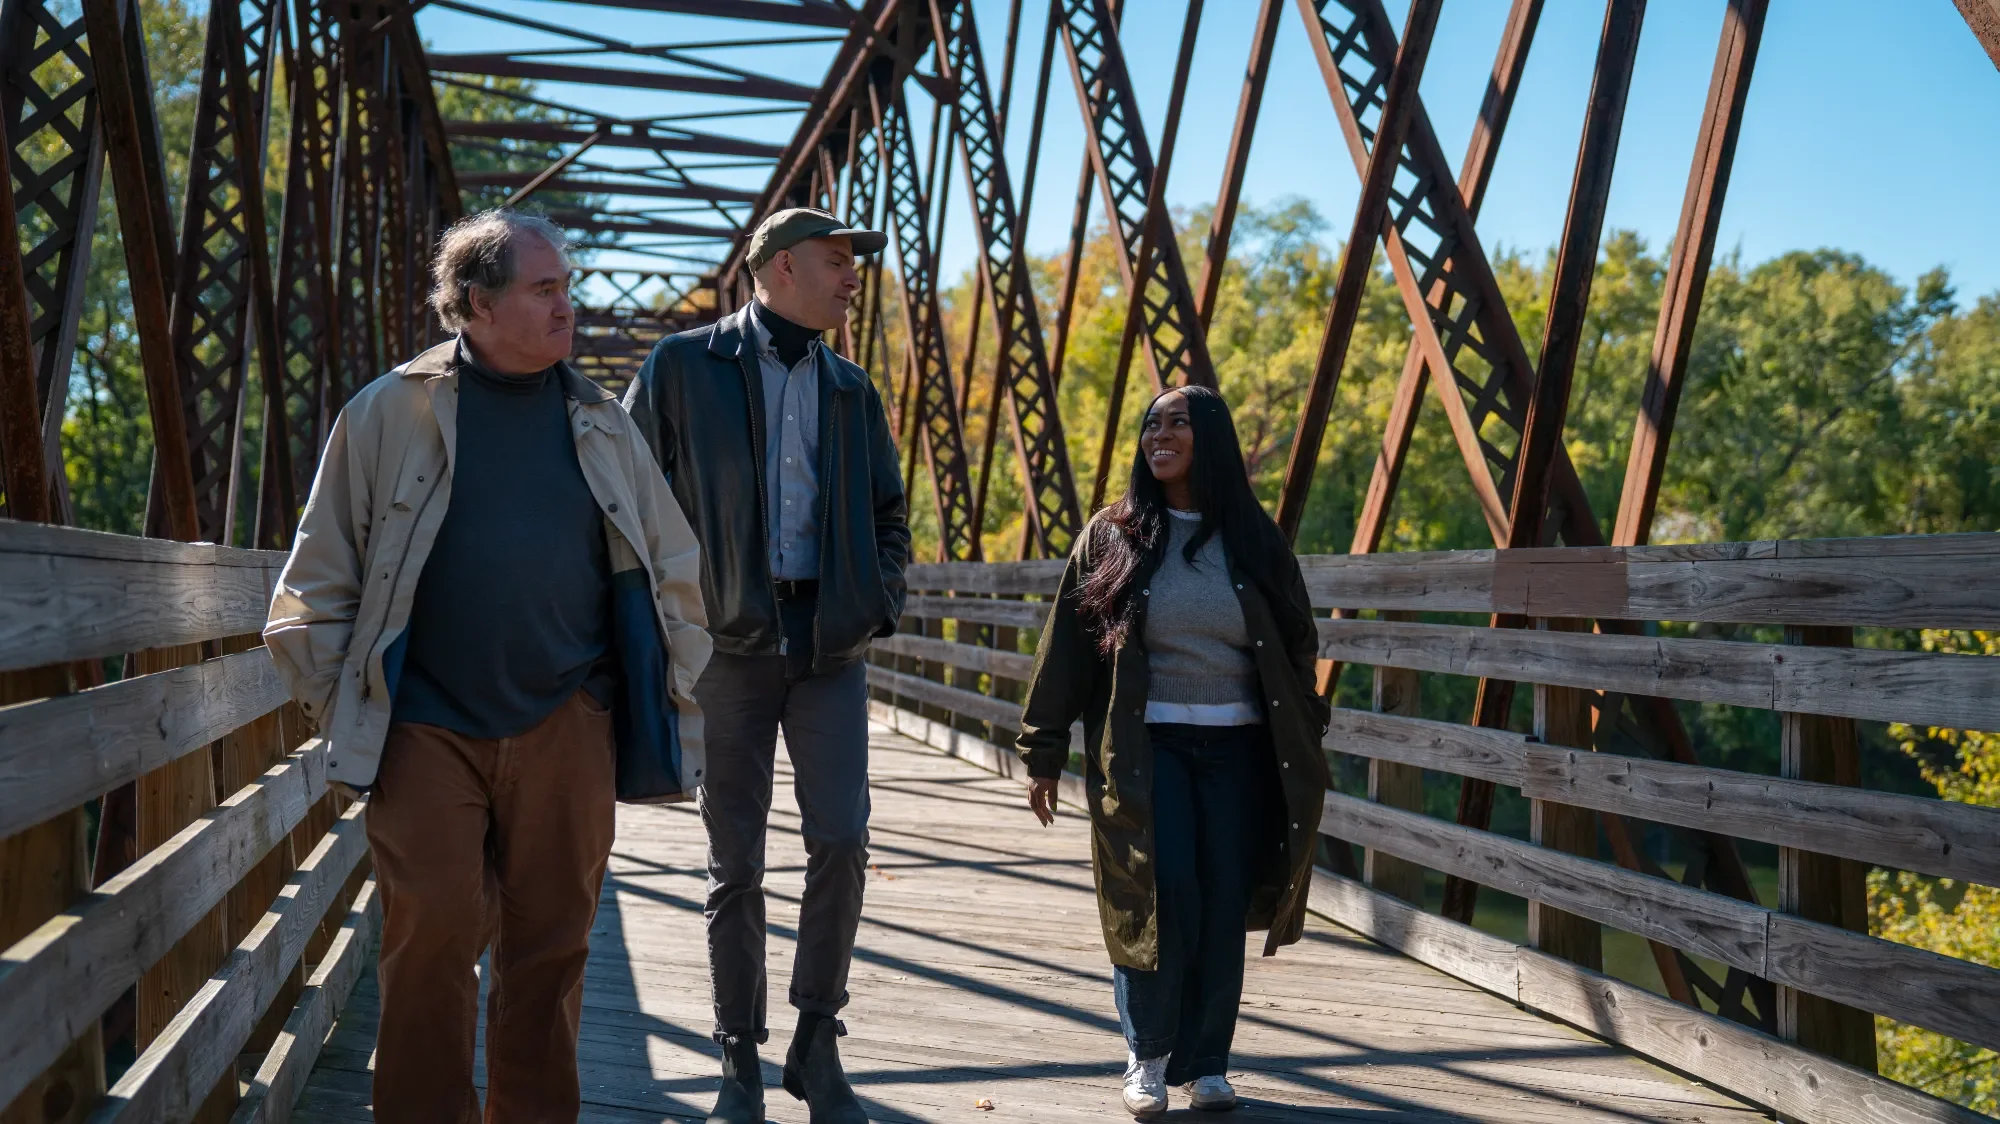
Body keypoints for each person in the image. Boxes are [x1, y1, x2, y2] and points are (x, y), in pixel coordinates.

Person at [263, 209, 712, 1123]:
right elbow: (313, 588)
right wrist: (349, 709)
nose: (566, 307)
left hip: (566, 725)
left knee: (550, 955)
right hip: (424, 726)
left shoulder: (602, 422)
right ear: (476, 302)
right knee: (428, 950)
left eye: (568, 288)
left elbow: (676, 568)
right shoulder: (389, 411)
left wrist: (624, 698)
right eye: (544, 289)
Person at [622, 207, 910, 1124]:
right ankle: (737, 1058)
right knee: (733, 862)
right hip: (728, 648)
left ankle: (817, 1041)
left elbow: (889, 514)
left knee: (842, 838)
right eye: (837, 262)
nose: (853, 277)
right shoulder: (681, 368)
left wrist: (880, 597)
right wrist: (665, 622)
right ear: (782, 268)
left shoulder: (851, 390)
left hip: (829, 648)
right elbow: (624, 498)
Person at [1015, 386, 1331, 1119]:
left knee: (1221, 902)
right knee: (1156, 895)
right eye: (1151, 423)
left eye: (1178, 423)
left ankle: (1208, 1065)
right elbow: (1066, 645)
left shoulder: (1252, 536)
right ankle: (1148, 1056)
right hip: (1145, 749)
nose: (1160, 434)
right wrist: (1043, 751)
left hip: (1240, 751)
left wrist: (1307, 722)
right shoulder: (1113, 534)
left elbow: (1297, 637)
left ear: (1210, 438)